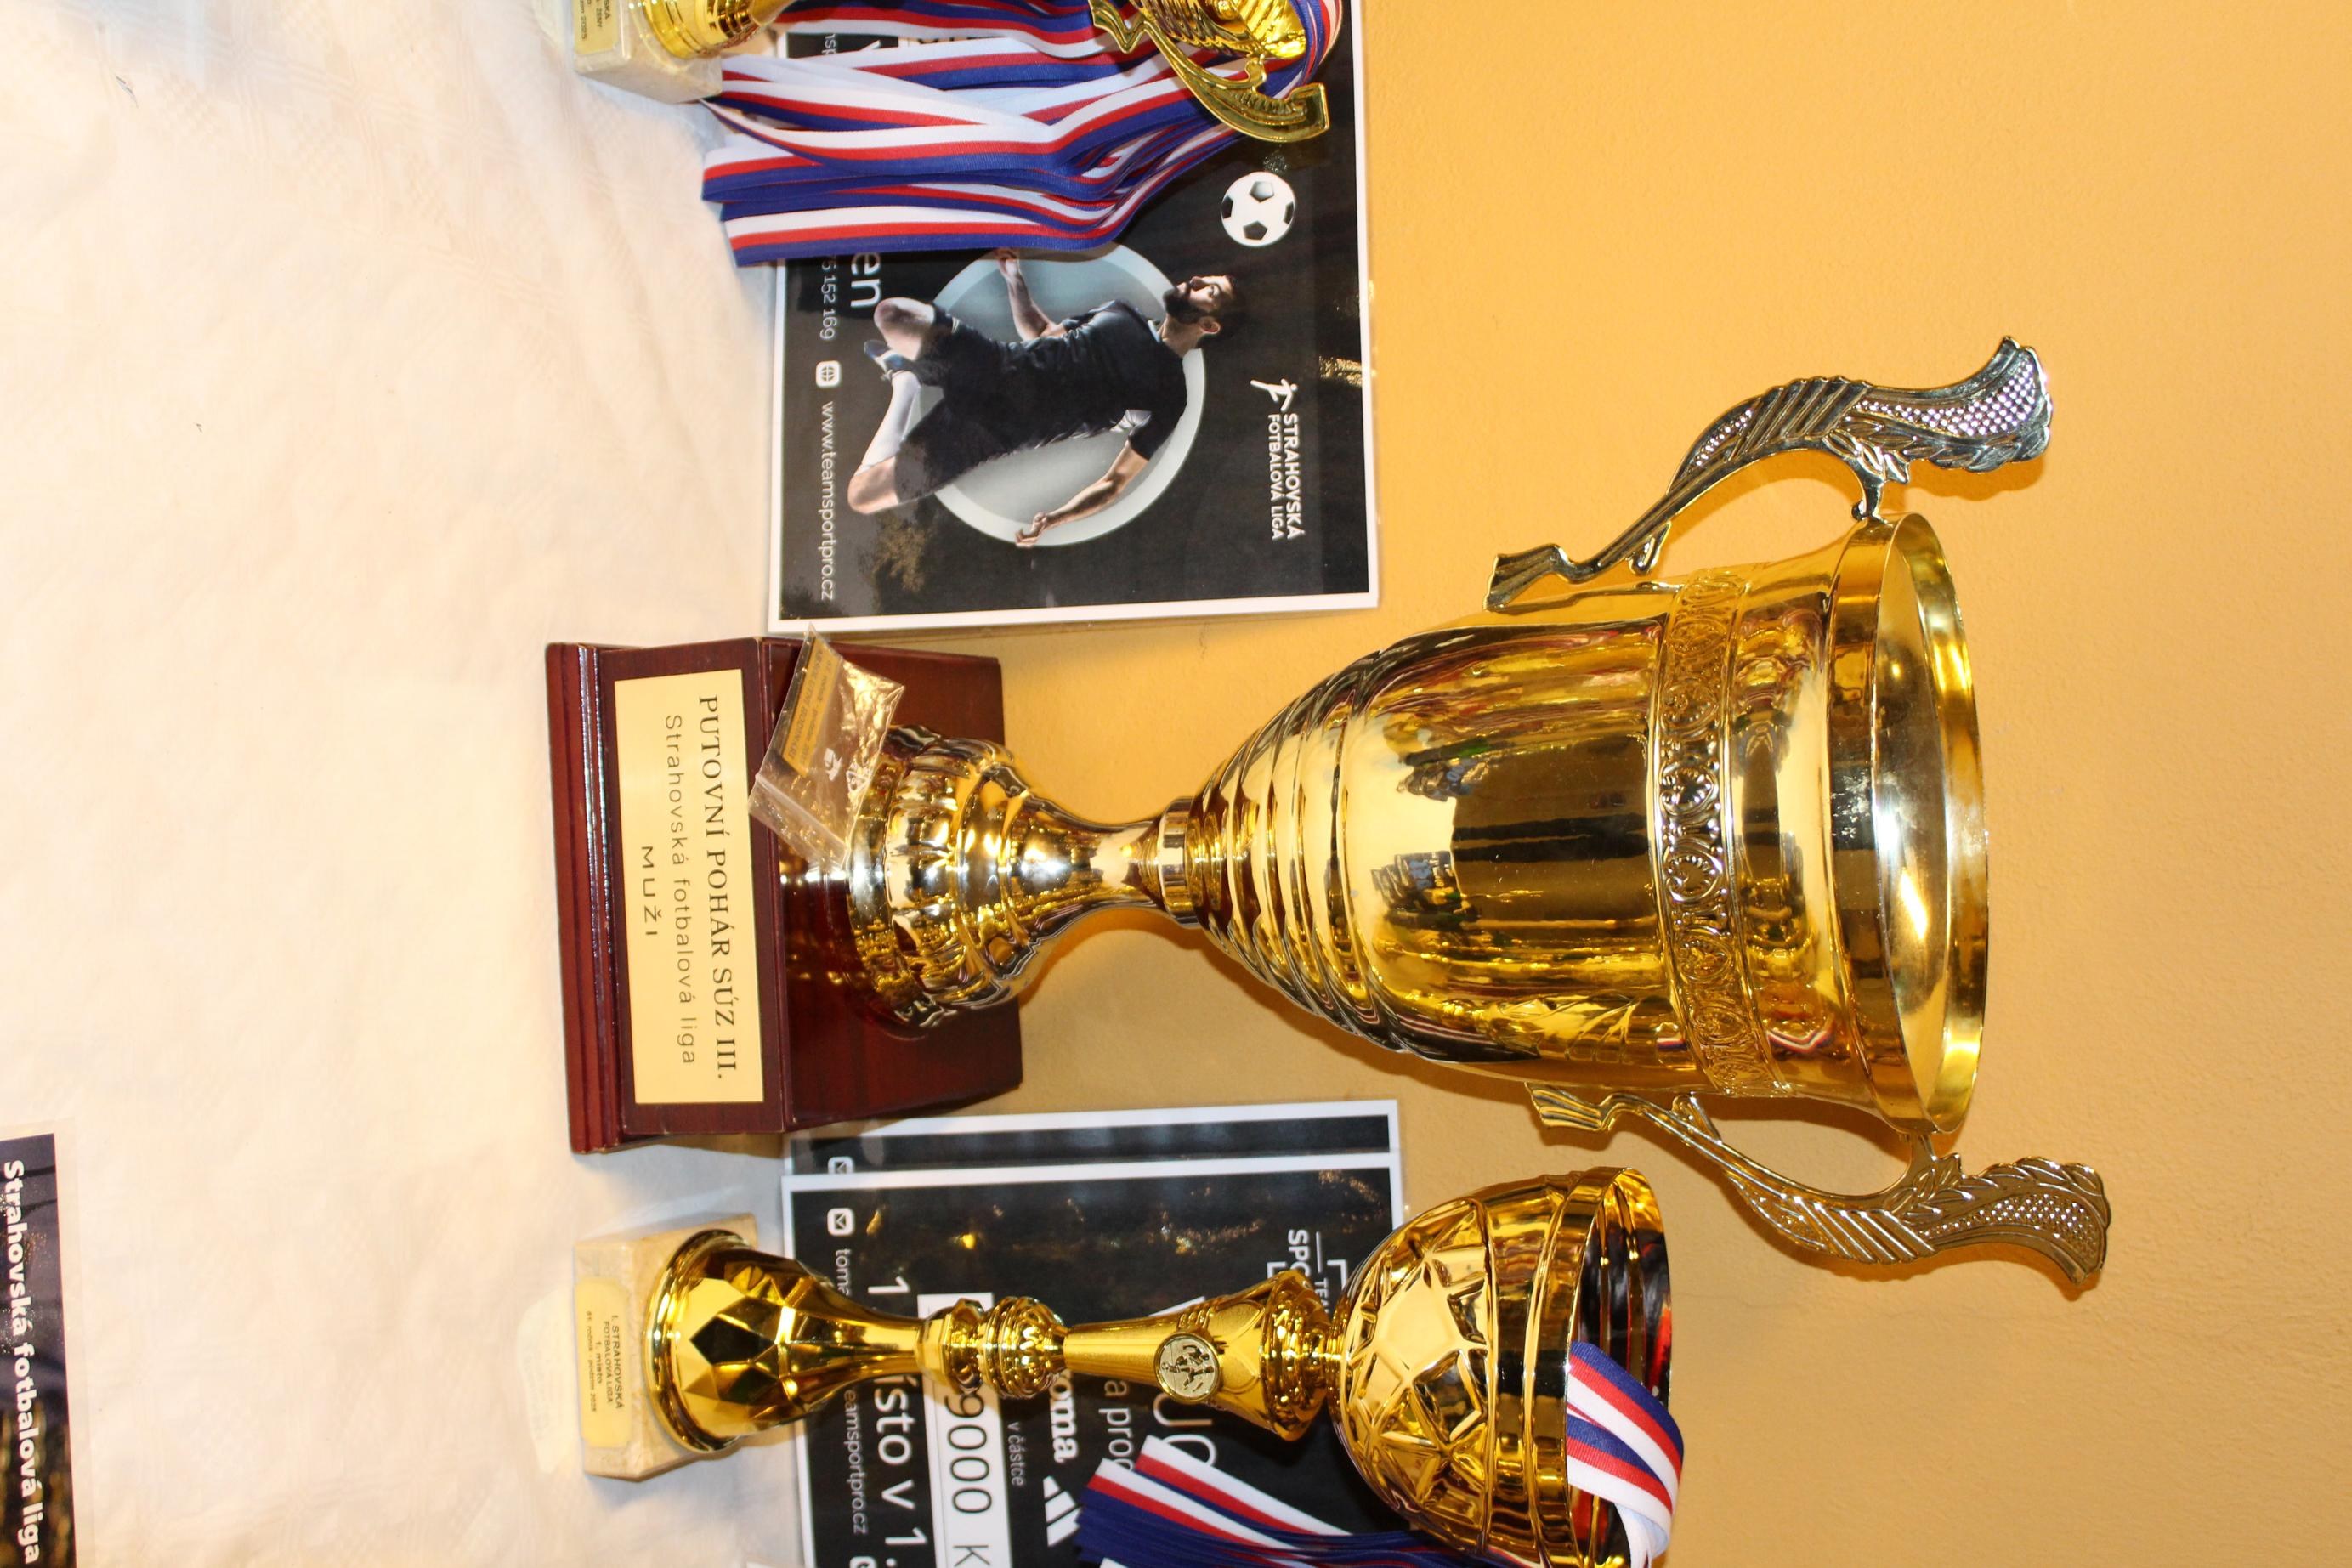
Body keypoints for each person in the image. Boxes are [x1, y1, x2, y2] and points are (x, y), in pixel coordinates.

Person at [846, 250, 1241, 546]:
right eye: (1203, 278)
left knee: (861, 496)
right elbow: (1041, 332)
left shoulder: (1169, 397)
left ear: (1210, 325)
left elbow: (1115, 482)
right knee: (891, 314)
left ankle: (906, 384)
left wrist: (1056, 519)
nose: (1195, 280)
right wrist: (1014, 281)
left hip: (987, 435)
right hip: (991, 366)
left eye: (1210, 290)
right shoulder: (1121, 312)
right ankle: (916, 372)